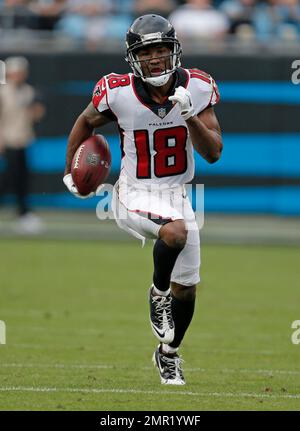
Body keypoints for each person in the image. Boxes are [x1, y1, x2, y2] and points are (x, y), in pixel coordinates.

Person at [63, 14, 223, 385]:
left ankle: (169, 354)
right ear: (134, 57)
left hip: (178, 194)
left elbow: (213, 152)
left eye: (162, 49)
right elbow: (85, 122)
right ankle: (157, 291)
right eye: (147, 51)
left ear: (175, 50)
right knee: (176, 234)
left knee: (188, 287)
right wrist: (71, 170)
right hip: (133, 193)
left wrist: (190, 118)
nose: (155, 58)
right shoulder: (116, 91)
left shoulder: (197, 88)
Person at [0, 56, 45, 233]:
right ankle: (23, 213)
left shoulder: (28, 92)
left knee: (22, 179)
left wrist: (36, 112)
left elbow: (35, 115)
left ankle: (23, 214)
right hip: (8, 140)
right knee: (8, 179)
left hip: (23, 139)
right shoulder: (3, 92)